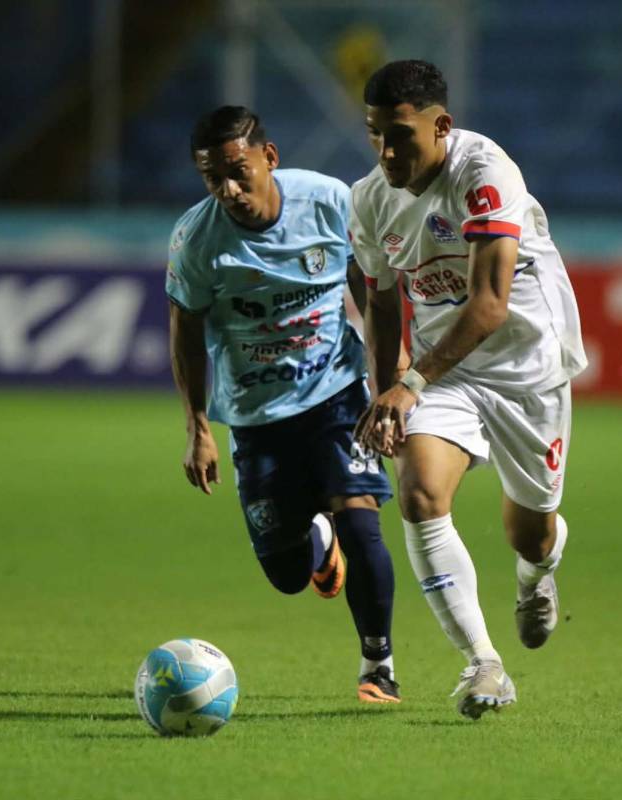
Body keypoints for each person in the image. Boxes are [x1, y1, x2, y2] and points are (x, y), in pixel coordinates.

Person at [348, 60, 588, 719]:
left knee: (529, 533)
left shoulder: (485, 174)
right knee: (420, 493)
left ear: (441, 127)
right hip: (444, 373)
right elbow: (381, 302)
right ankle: (484, 663)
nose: (386, 151)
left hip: (526, 369)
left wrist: (410, 382)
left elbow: (488, 304)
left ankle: (538, 574)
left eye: (400, 135)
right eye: (375, 134)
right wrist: (387, 395)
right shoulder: (369, 199)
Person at [167, 105, 401, 703]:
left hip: (337, 394)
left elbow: (369, 286)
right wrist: (197, 426)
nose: (229, 190)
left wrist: (387, 379)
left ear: (269, 158)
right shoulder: (197, 240)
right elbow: (186, 333)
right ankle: (317, 542)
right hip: (257, 417)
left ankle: (378, 665)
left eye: (238, 172)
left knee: (362, 523)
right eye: (213, 178)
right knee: (288, 575)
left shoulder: (328, 202)